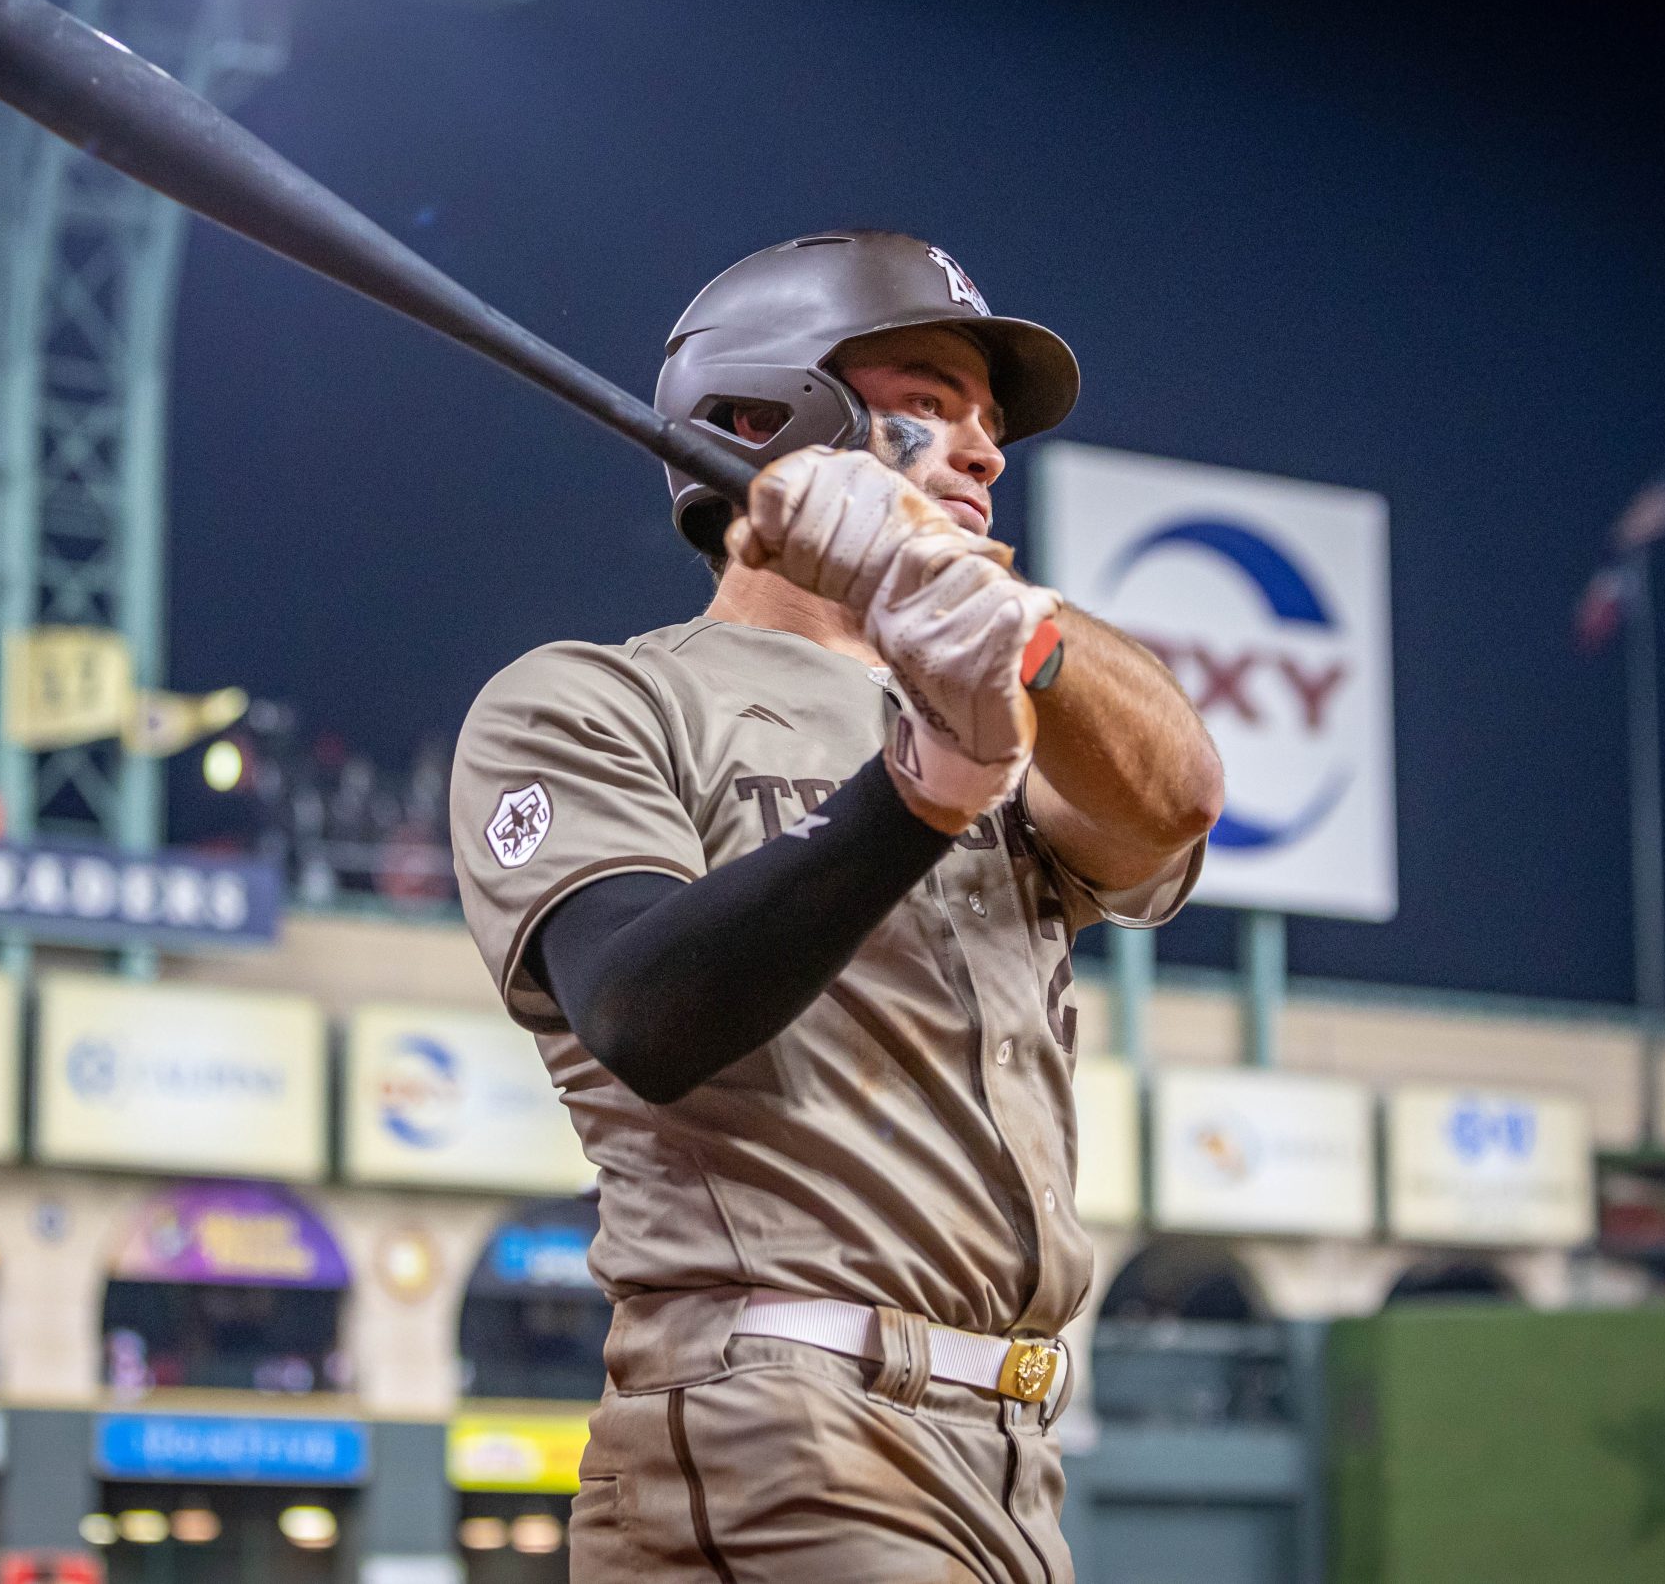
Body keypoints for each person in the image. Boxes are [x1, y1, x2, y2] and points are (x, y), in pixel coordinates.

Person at [448, 231, 1222, 1583]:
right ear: (761, 420)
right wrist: (917, 795)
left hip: (1013, 1458)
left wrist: (1013, 626)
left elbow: (1180, 797)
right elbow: (642, 1008)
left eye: (994, 426)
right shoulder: (596, 698)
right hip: (775, 1421)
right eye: (929, 402)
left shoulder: (1013, 710)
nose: (983, 449)